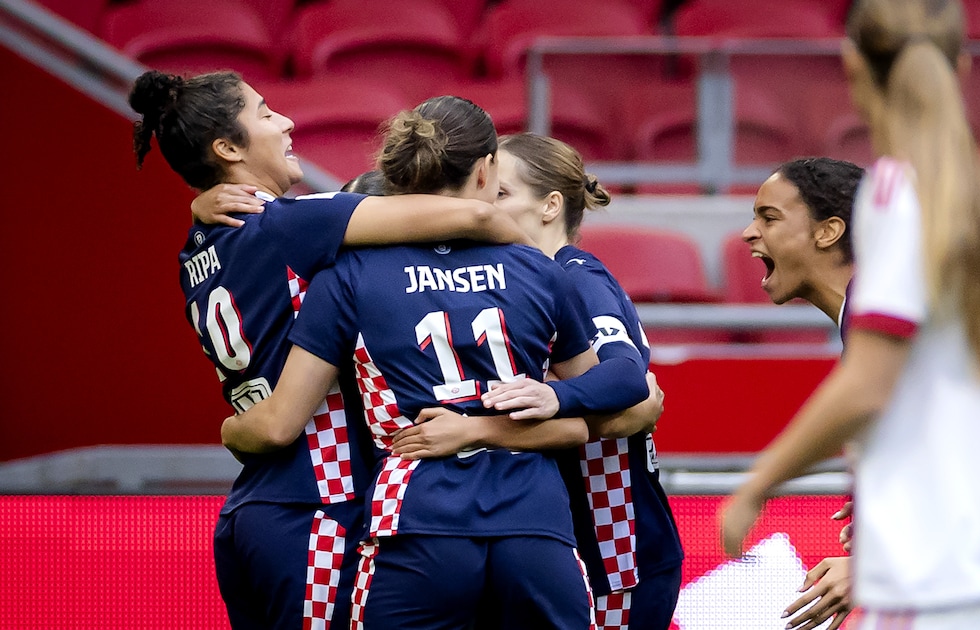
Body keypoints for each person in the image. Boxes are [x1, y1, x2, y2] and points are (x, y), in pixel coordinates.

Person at [220, 95, 649, 630]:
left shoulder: (348, 273)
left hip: (416, 514)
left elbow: (284, 418)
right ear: (486, 171)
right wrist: (553, 397)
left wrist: (231, 428)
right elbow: (616, 386)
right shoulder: (540, 270)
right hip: (534, 518)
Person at [130, 70, 529, 630]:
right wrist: (550, 280)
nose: (286, 122)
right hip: (318, 507)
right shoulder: (292, 223)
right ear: (227, 149)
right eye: (265, 113)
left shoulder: (198, 247)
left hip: (255, 509)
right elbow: (480, 215)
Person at [720, 0, 980, 628]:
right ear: (963, 66)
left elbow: (868, 385)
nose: (749, 233)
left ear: (852, 68)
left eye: (768, 217)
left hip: (939, 571)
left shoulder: (901, 190)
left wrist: (757, 485)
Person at [742, 157, 980, 630]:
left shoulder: (887, 314)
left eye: (769, 218)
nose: (749, 233)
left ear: (828, 232)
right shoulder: (872, 313)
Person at [396, 132, 685, 629]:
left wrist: (555, 394)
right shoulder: (514, 280)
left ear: (550, 206)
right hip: (546, 533)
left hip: (616, 543)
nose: (484, 207)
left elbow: (627, 379)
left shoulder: (576, 277)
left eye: (501, 194)